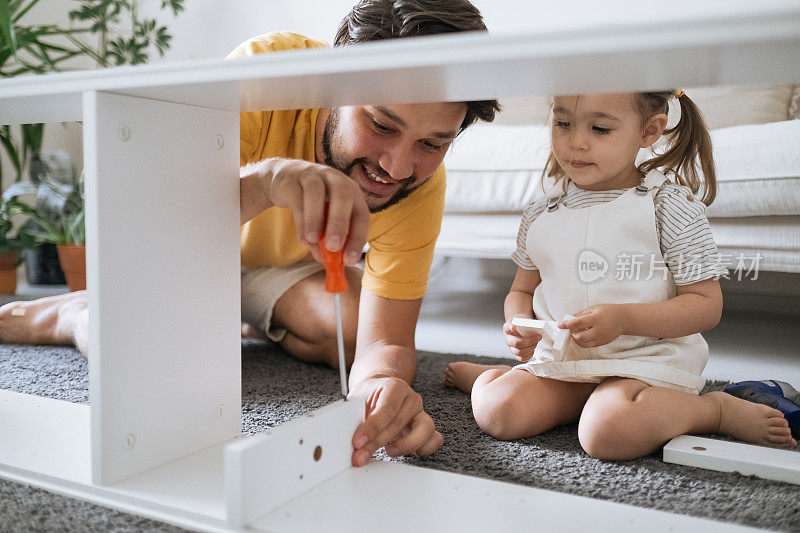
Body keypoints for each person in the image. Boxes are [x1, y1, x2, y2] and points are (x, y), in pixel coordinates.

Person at [0, 0, 500, 466]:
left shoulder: (420, 185)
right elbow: (162, 223)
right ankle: (73, 314)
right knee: (149, 358)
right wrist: (269, 181)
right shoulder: (267, 70)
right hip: (195, 250)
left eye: (433, 143)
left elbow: (384, 340)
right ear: (334, 81)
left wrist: (381, 388)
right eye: (381, 125)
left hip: (283, 277)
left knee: (352, 327)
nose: (395, 167)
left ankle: (244, 319)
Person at [443, 90, 797, 459]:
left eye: (599, 128)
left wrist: (624, 318)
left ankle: (717, 410)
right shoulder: (540, 212)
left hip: (644, 361)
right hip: (563, 364)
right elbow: (521, 290)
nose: (575, 142)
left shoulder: (668, 207)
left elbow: (706, 306)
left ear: (648, 132)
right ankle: (506, 378)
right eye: (563, 123)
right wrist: (518, 324)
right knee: (498, 412)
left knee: (607, 434)